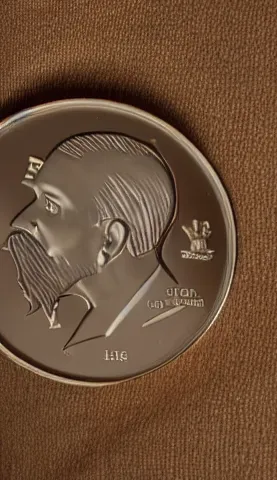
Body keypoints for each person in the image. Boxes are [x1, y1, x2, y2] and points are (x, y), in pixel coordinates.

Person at [4, 133, 182, 350]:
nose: (19, 221)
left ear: (110, 241)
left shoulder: (159, 325)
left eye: (50, 205)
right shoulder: (107, 323)